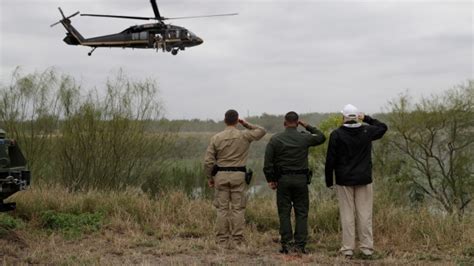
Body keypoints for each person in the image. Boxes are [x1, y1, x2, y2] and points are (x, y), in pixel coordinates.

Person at [325, 104, 388, 258]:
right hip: (364, 178)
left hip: (344, 179)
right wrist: (366, 118)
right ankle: (366, 248)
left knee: (347, 214)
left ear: (344, 117)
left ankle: (347, 249)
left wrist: (329, 180)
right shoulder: (367, 131)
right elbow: (383, 127)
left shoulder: (337, 134)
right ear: (357, 116)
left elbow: (330, 160)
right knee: (365, 214)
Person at [263, 111, 326, 254]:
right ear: (297, 123)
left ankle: (286, 244)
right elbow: (322, 137)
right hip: (301, 181)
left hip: (283, 181)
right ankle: (300, 245)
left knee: (284, 213)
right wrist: (308, 126)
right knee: (302, 212)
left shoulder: (276, 139)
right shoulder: (304, 138)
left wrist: (271, 179)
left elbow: (268, 163)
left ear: (284, 123)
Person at [204, 109, 266, 247]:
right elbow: (262, 131)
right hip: (239, 175)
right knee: (238, 209)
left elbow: (208, 162)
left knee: (222, 209)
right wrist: (246, 124)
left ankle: (222, 240)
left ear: (225, 120)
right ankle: (237, 240)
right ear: (237, 120)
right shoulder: (244, 135)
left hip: (221, 176)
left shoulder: (216, 138)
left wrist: (210, 177)